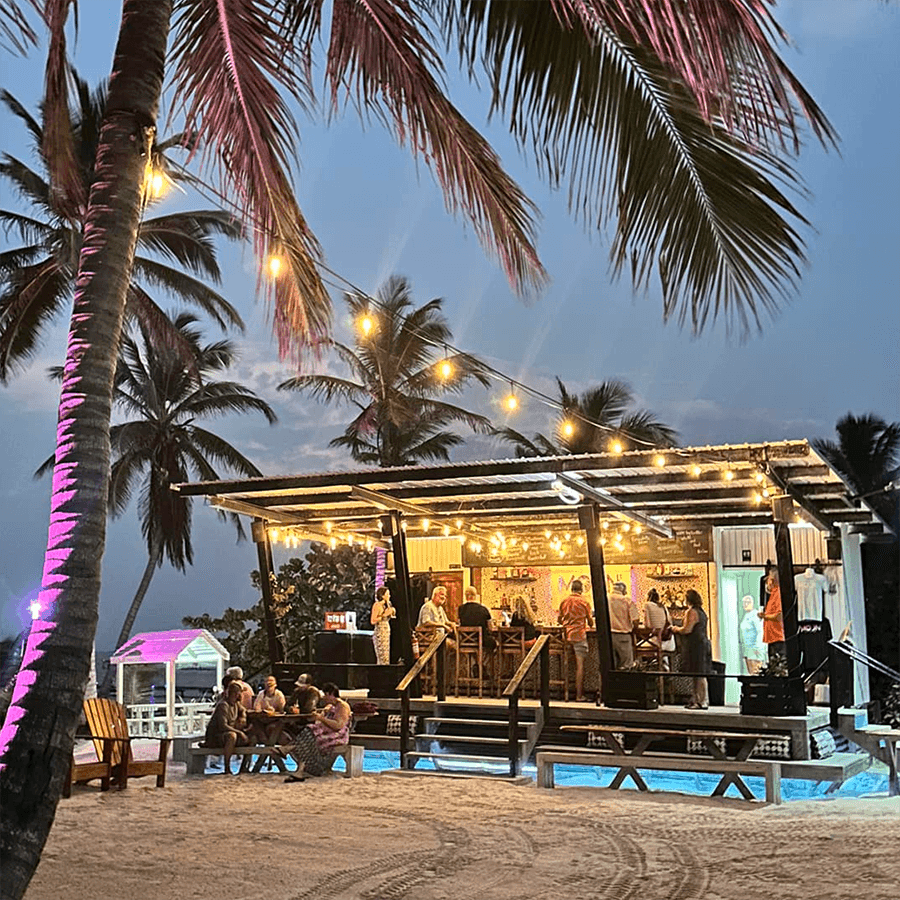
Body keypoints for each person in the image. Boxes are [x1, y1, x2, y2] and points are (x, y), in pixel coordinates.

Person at [282, 682, 352, 781]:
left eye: (325, 695)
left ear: (331, 694)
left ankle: (290, 750)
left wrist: (321, 718)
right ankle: (300, 768)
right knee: (308, 731)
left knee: (310, 736)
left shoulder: (343, 706)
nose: (324, 698)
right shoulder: (331, 706)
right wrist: (318, 716)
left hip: (337, 735)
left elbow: (338, 725)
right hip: (327, 732)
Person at [201, 681, 252, 773]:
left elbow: (243, 710)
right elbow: (222, 726)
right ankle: (227, 768)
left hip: (229, 734)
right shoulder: (223, 705)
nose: (241, 695)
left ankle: (244, 767)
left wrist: (243, 717)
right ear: (235, 694)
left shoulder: (236, 704)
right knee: (232, 736)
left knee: (252, 737)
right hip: (217, 737)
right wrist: (240, 732)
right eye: (240, 693)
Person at [673, 589, 712, 709]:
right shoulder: (702, 612)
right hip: (703, 643)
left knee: (698, 674)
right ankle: (698, 699)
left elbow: (687, 629)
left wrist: (675, 629)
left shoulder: (691, 612)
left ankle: (700, 701)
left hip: (696, 645)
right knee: (699, 673)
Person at [558, 579, 593, 702]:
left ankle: (563, 693)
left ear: (571, 589)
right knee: (580, 665)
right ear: (581, 590)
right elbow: (590, 621)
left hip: (565, 637)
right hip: (579, 635)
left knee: (566, 664)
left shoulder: (564, 601)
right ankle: (579, 696)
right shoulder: (584, 602)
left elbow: (559, 620)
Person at [608, 581, 639, 670]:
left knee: (610, 666)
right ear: (624, 590)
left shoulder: (605, 599)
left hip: (608, 637)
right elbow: (635, 620)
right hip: (623, 637)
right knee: (626, 666)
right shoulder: (627, 601)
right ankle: (625, 683)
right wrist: (634, 629)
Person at [457, 586, 497, 652]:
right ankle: (485, 661)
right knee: (493, 643)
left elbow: (459, 623)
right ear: (475, 596)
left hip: (465, 641)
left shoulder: (460, 609)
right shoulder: (483, 609)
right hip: (482, 640)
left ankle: (472, 661)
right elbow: (490, 628)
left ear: (466, 596)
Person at [642, 588, 675, 663]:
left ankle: (645, 669)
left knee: (636, 648)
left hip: (657, 643)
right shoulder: (663, 606)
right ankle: (664, 666)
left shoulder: (647, 605)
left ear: (648, 597)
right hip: (670, 643)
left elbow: (648, 625)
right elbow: (670, 622)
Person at [759, 569, 785, 662]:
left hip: (778, 638)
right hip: (772, 638)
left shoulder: (778, 594)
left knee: (778, 665)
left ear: (773, 580)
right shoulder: (772, 594)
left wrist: (764, 616)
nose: (767, 582)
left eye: (768, 579)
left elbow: (779, 615)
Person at [739, 595, 765, 674]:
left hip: (755, 651)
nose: (746, 604)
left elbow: (760, 631)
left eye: (748, 602)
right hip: (748, 650)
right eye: (744, 602)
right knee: (751, 673)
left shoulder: (755, 615)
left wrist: (757, 647)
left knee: (756, 673)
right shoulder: (746, 615)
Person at [370, 585, 395, 665]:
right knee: (381, 655)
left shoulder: (387, 605)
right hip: (380, 632)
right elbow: (373, 621)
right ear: (383, 595)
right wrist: (384, 615)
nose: (389, 596)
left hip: (386, 631)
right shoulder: (377, 605)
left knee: (386, 655)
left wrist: (391, 612)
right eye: (388, 594)